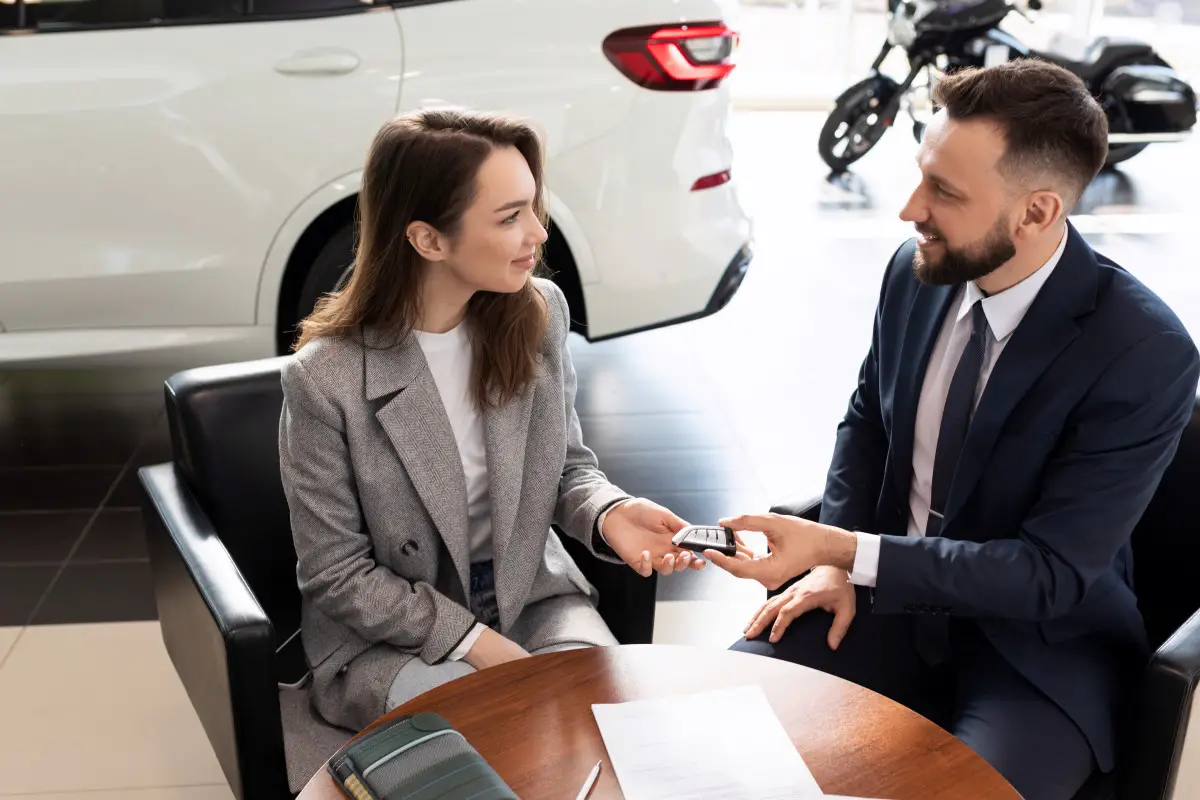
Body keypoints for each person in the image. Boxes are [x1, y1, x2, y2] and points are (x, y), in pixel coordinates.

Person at [705, 59, 1200, 800]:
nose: (909, 209)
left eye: (944, 191)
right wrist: (835, 565)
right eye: (921, 173)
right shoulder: (914, 273)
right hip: (877, 604)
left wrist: (847, 549)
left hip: (1038, 652)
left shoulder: (1143, 352)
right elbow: (868, 420)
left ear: (1036, 213)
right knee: (716, 743)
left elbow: (1050, 576)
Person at [278, 108, 703, 733]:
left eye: (533, 205)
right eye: (509, 217)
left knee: (601, 727)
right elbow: (336, 574)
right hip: (394, 637)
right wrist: (471, 640)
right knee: (489, 736)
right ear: (428, 240)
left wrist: (610, 512)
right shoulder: (325, 379)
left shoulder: (539, 314)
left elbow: (565, 470)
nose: (538, 232)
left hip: (530, 600)